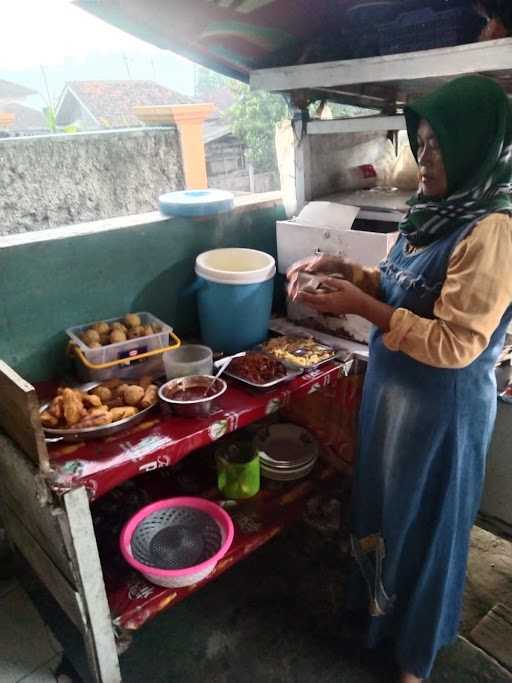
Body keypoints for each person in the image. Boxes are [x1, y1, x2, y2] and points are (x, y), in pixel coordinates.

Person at [287, 75, 512, 683]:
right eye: (423, 142)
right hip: (395, 397)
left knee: (430, 527)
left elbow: (457, 342)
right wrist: (344, 270)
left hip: (444, 408)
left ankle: (414, 657)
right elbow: (397, 284)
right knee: (386, 510)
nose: (426, 156)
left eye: (440, 144)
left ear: (477, 146)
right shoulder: (433, 211)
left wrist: (362, 309)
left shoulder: (493, 229)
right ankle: (378, 619)